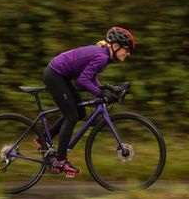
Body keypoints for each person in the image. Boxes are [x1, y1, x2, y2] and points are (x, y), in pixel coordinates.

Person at [37, 27, 136, 176]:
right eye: (127, 50)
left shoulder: (104, 56)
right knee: (71, 115)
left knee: (80, 111)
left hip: (61, 76)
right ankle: (60, 160)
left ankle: (43, 138)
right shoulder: (102, 57)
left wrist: (103, 89)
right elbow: (83, 80)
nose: (128, 54)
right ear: (116, 46)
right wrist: (100, 92)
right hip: (55, 75)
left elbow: (90, 76)